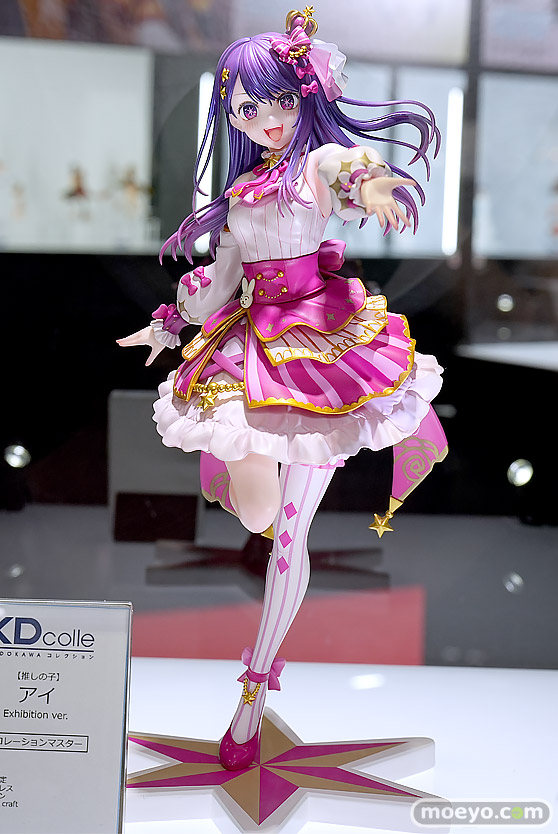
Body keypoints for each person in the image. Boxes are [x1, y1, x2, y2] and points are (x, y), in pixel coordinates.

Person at [117, 6, 448, 771]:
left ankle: (252, 695)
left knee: (288, 536)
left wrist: (371, 185)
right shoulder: (242, 190)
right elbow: (219, 279)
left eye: (278, 100)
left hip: (320, 347)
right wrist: (168, 322)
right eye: (246, 107)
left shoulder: (313, 165)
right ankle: (251, 483)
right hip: (250, 341)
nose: (264, 118)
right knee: (259, 510)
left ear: (305, 96)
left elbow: (347, 167)